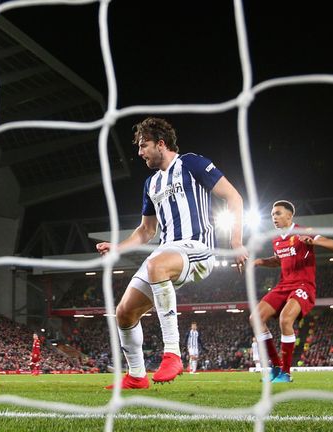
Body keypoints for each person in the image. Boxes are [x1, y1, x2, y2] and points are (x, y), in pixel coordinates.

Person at [96, 117, 247, 389]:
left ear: (161, 144)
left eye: (144, 145)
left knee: (156, 265)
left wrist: (236, 241)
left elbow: (234, 197)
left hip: (198, 248)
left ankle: (173, 354)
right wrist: (117, 248)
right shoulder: (151, 184)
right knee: (124, 312)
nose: (140, 152)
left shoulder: (192, 163)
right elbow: (146, 231)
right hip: (166, 252)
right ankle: (137, 376)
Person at [251, 200, 333, 383]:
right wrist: (260, 261)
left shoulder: (303, 231)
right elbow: (279, 260)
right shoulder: (277, 239)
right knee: (255, 318)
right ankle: (275, 367)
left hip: (303, 285)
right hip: (283, 285)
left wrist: (313, 242)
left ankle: (286, 372)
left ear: (289, 215)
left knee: (285, 319)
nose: (274, 217)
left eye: (278, 213)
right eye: (272, 215)